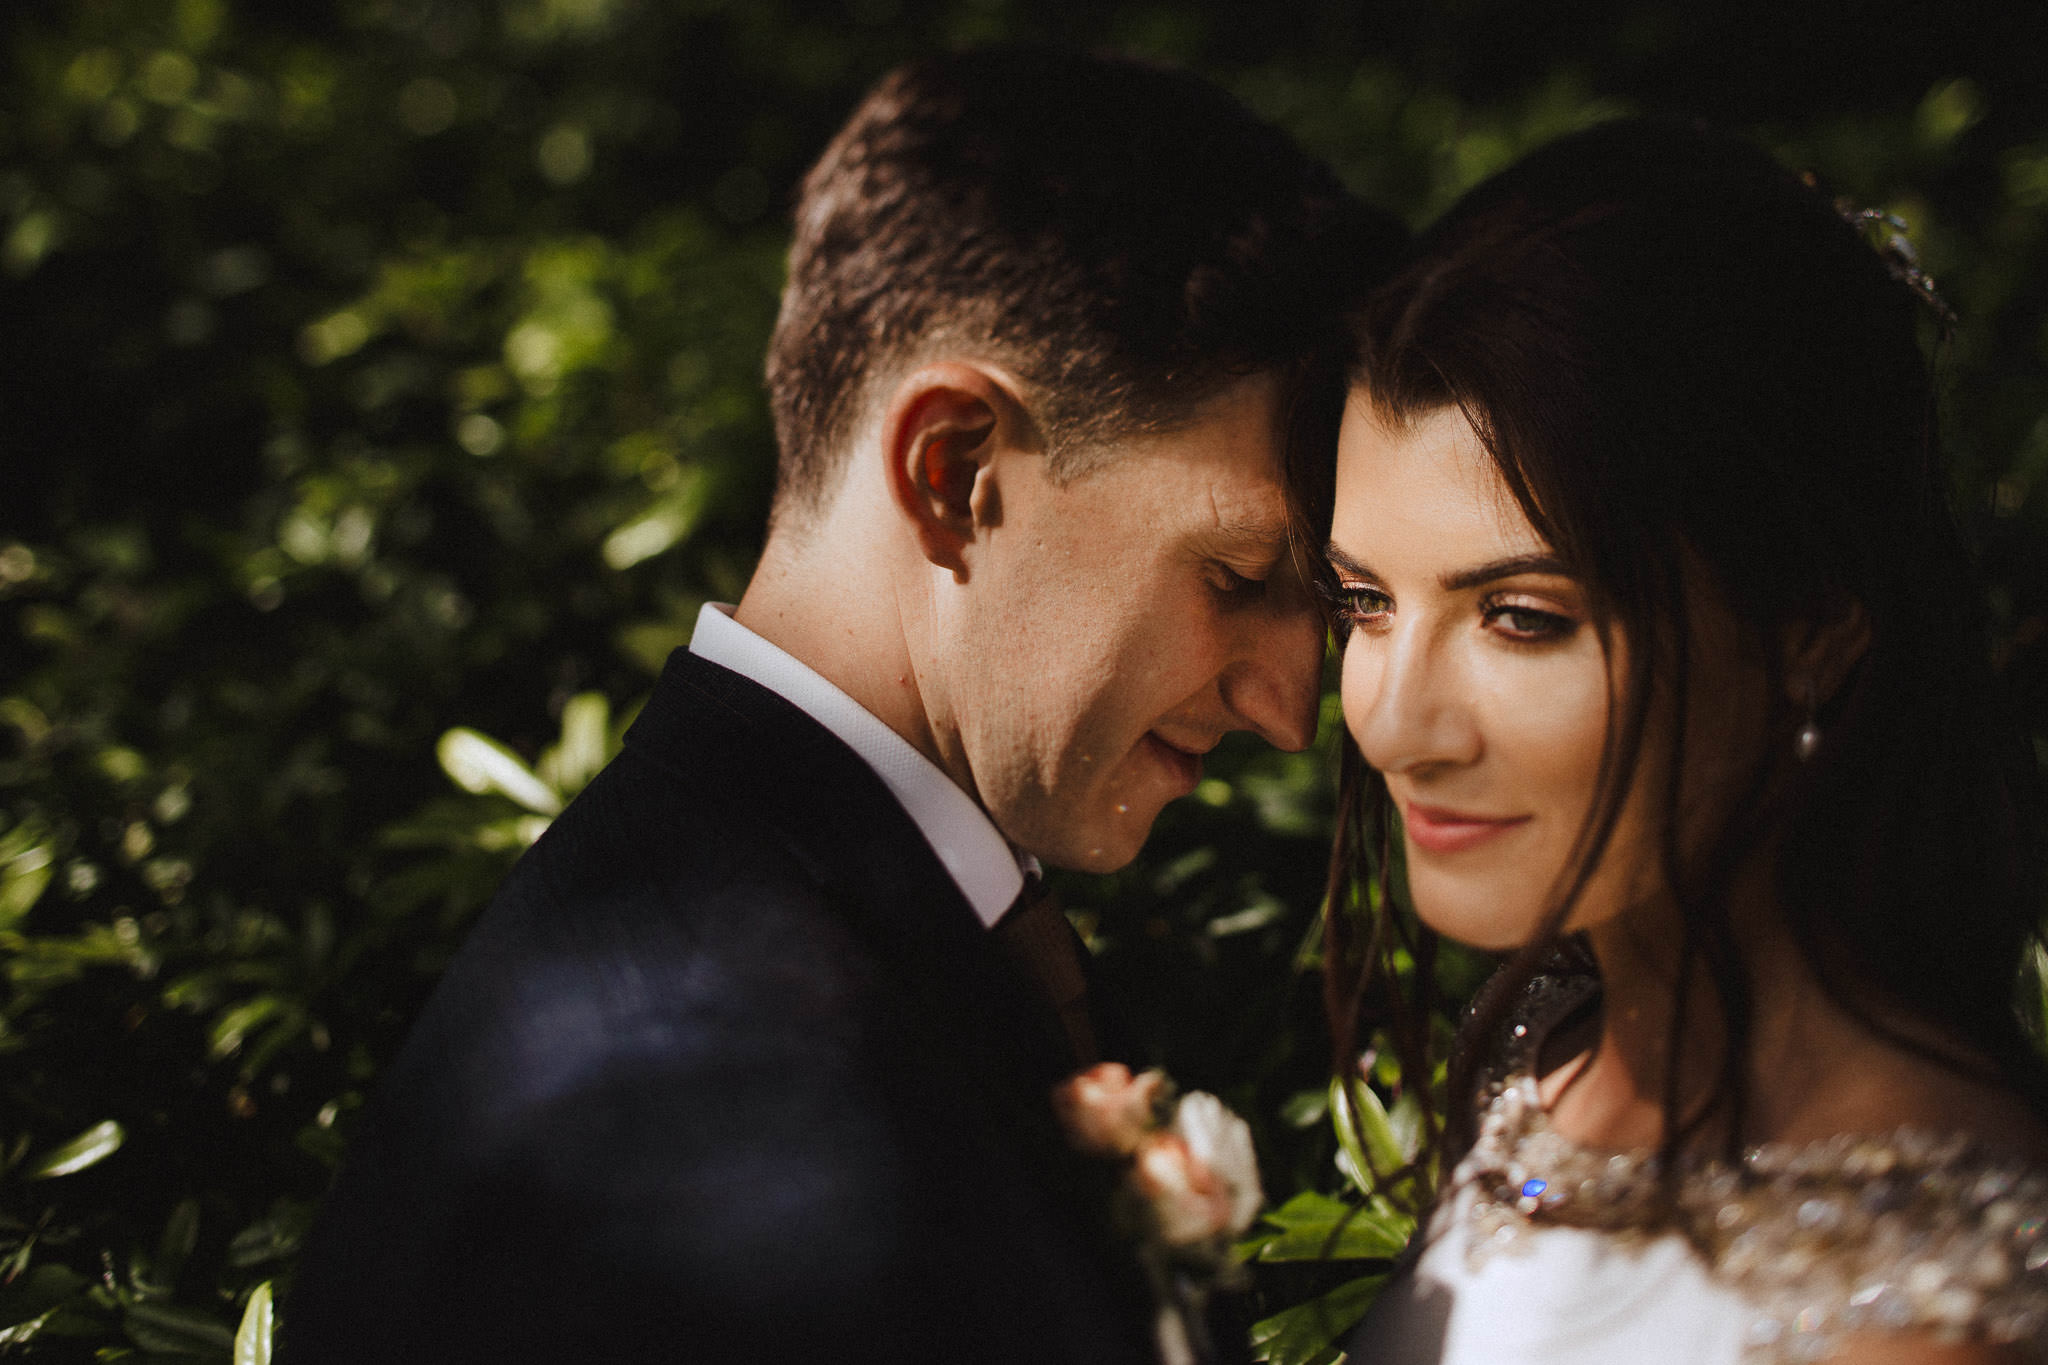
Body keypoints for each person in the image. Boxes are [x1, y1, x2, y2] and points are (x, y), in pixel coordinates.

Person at [280, 45, 1403, 1365]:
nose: (1287, 709)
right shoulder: (719, 1095)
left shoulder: (787, 930)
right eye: (1239, 577)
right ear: (953, 466)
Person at [1321, 119, 2048, 1364]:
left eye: (1521, 618)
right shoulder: (1537, 1054)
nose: (1390, 723)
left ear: (1808, 628)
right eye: (1364, 603)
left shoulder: (1923, 1276)